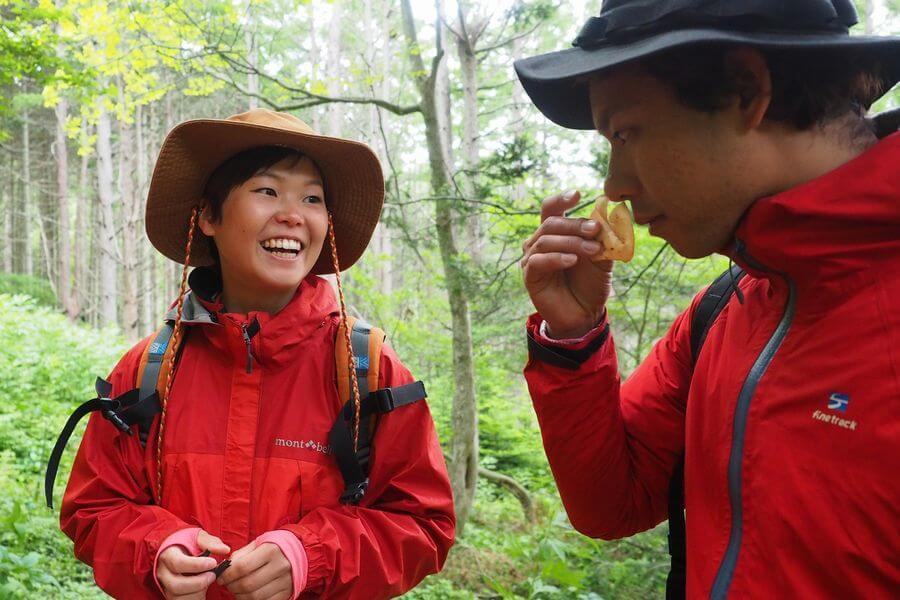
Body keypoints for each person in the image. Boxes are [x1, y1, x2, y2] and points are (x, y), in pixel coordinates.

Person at [514, 1, 899, 598]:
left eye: (624, 131)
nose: (614, 184)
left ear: (746, 90)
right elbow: (612, 504)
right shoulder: (726, 309)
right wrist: (573, 337)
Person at [58, 109, 455, 599]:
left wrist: (310, 556)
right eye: (267, 190)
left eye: (312, 198)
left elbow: (424, 524)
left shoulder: (367, 369)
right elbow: (92, 510)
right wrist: (157, 549)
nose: (293, 213)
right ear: (208, 215)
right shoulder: (147, 369)